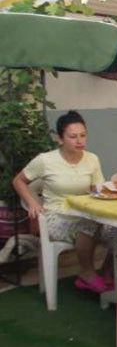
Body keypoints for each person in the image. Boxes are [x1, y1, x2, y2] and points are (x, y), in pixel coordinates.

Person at [12, 110, 110, 293]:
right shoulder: (45, 160)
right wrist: (32, 203)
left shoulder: (92, 159)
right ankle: (87, 273)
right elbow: (18, 181)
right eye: (73, 136)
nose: (79, 141)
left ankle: (108, 272)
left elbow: (97, 190)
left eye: (83, 135)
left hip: (84, 213)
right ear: (60, 139)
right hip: (56, 216)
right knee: (88, 225)